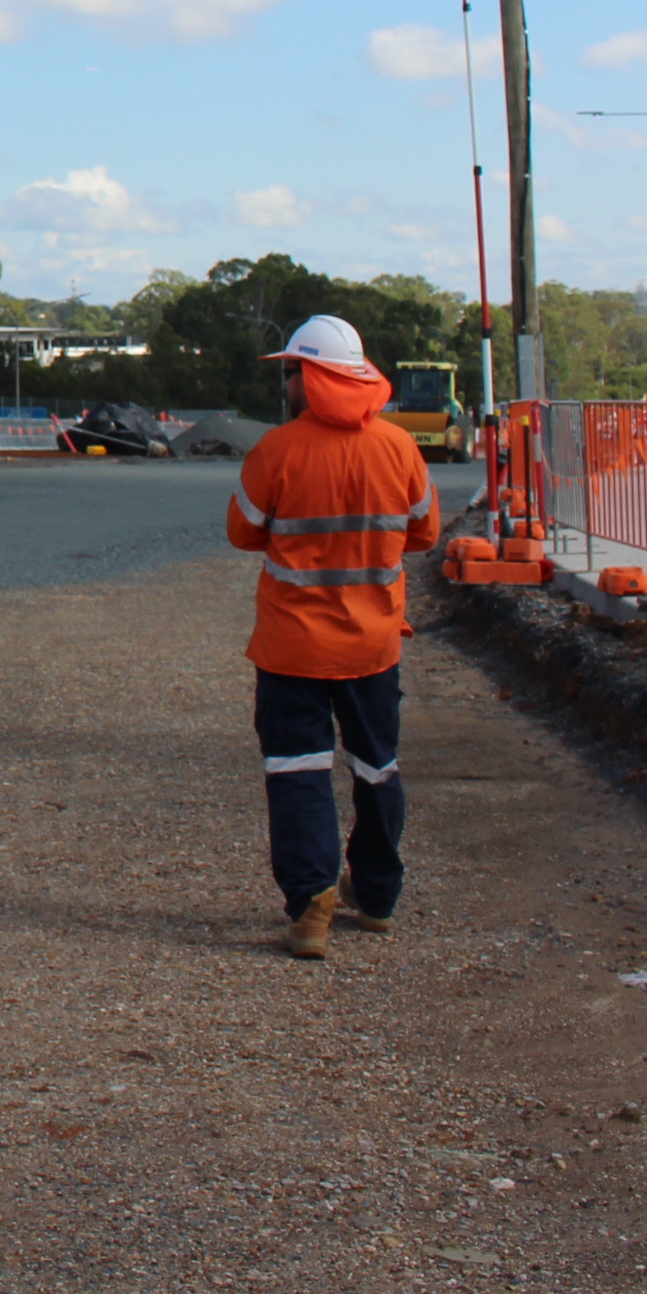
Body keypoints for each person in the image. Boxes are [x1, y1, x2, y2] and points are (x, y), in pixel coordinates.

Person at [222, 314, 442, 959]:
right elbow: (425, 533)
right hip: (374, 645)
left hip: (295, 648)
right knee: (378, 769)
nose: (286, 383)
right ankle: (375, 897)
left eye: (290, 371)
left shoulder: (278, 449)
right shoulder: (400, 446)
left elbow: (243, 531)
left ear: (309, 376)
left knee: (297, 772)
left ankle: (312, 902)